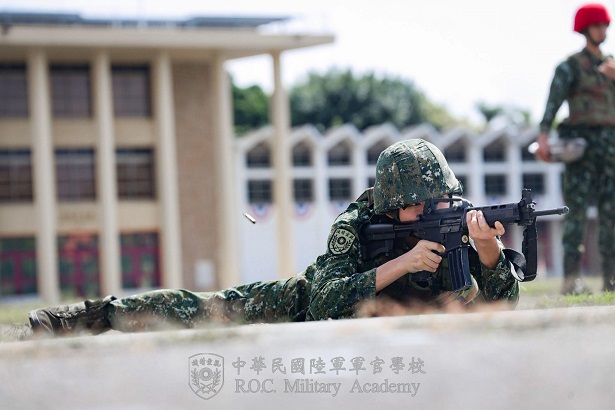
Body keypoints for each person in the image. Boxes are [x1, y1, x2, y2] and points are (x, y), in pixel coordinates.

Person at [28, 139, 520, 336]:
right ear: (392, 205)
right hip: (297, 303)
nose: (436, 210)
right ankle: (89, 316)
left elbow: (503, 304)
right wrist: (402, 264)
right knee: (201, 308)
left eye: (441, 199)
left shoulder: (454, 225)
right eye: (421, 204)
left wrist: (489, 253)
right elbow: (325, 306)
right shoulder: (355, 227)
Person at [535, 3, 615, 294]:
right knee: (577, 213)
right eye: (596, 25)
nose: (602, 30)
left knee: (611, 214)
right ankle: (571, 281)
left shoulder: (612, 65)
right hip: (582, 147)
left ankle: (611, 280)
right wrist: (544, 135)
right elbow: (553, 102)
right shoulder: (570, 66)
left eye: (605, 25)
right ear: (584, 29)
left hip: (610, 147)